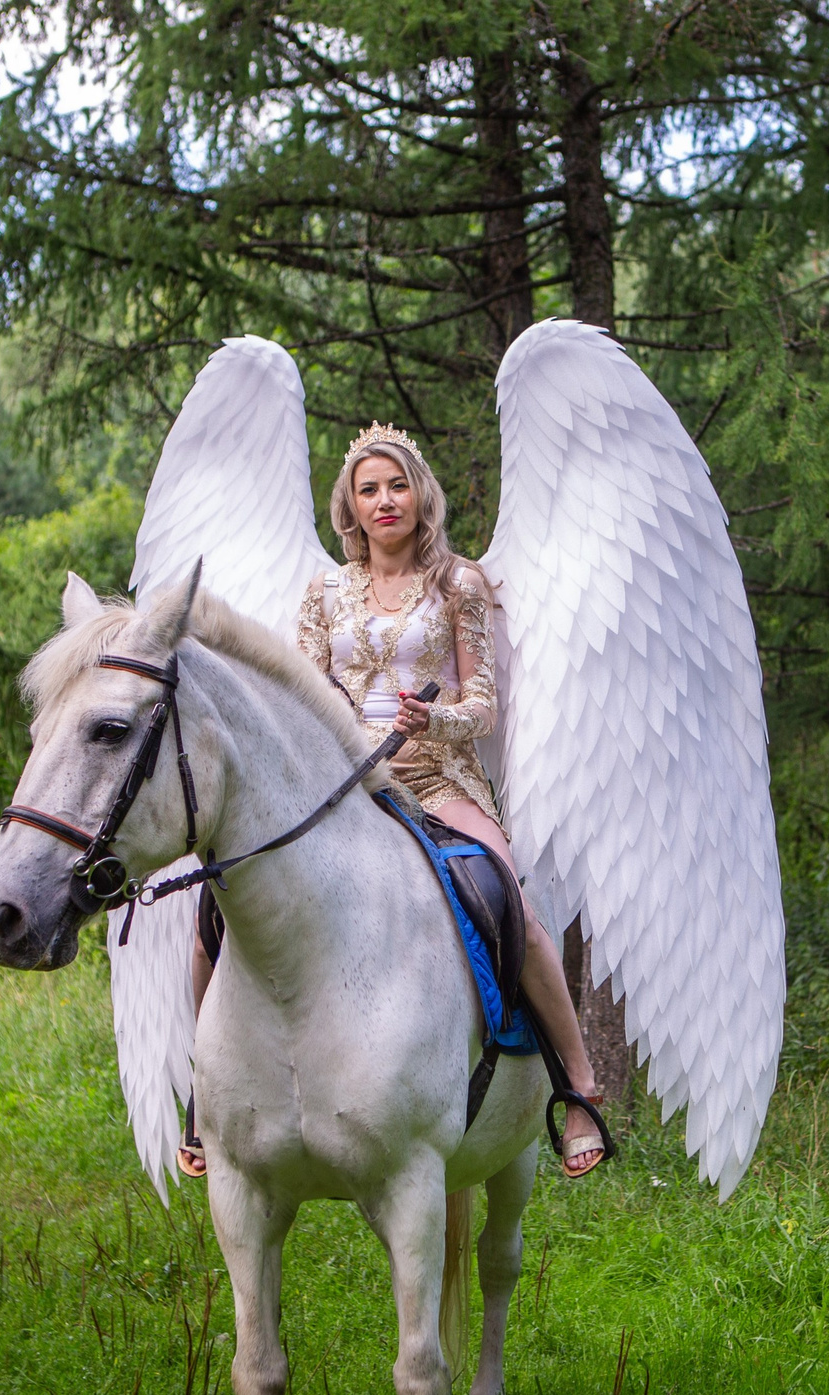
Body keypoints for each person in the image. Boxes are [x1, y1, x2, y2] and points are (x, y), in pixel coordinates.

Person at [175, 421, 611, 1180]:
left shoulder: (459, 584)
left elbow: (483, 706)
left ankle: (577, 1084)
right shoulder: (324, 593)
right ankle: (201, 1091)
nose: (385, 500)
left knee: (513, 902)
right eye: (369, 488)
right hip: (345, 787)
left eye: (397, 484)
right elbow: (302, 693)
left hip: (441, 780)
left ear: (421, 495)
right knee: (212, 908)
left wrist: (431, 720)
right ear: (349, 503)